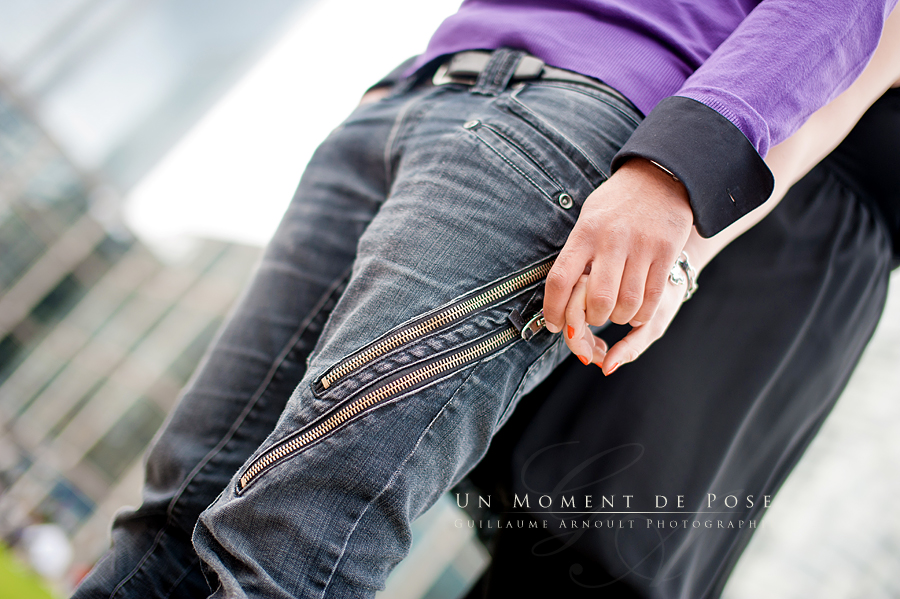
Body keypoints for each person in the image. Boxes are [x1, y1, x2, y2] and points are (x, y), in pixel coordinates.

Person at [71, 1, 897, 597]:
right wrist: (404, 77)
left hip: (572, 126)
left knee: (293, 543)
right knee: (170, 516)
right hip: (424, 90)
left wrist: (677, 177)